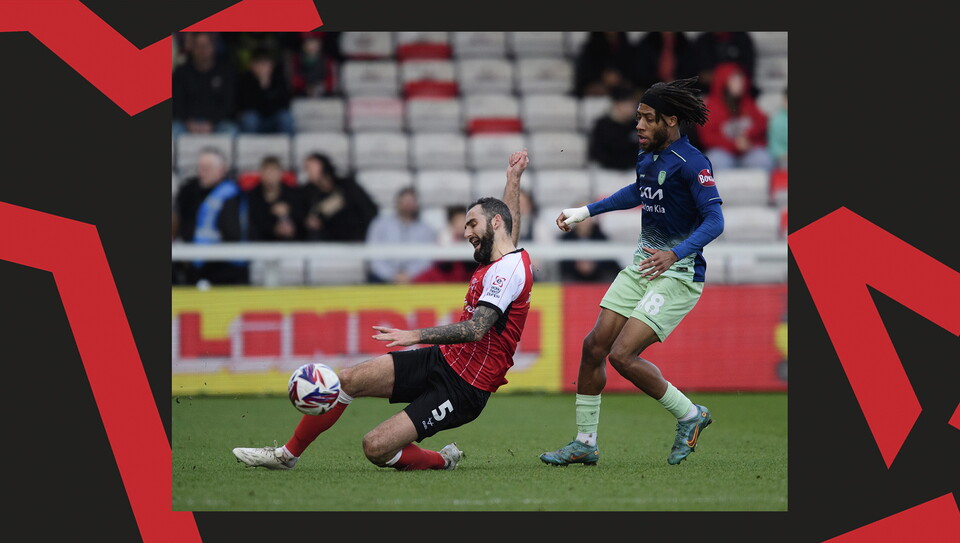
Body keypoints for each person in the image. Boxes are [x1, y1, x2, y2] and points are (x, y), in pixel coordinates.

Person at [232, 150, 532, 472]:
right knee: (347, 379)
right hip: (442, 358)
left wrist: (413, 335)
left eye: (472, 223)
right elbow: (508, 224)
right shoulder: (502, 255)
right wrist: (513, 179)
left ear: (495, 223)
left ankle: (441, 460)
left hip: (465, 387)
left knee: (375, 447)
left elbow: (476, 329)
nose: (465, 232)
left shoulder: (508, 270)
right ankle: (286, 456)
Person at [540, 77, 723, 467]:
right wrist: (586, 211)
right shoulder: (648, 157)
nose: (637, 125)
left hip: (678, 273)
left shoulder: (694, 164)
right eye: (637, 117)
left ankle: (691, 415)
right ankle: (585, 442)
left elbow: (715, 221)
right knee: (594, 348)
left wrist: (675, 254)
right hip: (643, 265)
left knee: (623, 355)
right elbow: (638, 191)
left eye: (647, 118)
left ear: (671, 121)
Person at [172, 147, 249, 285]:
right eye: (200, 167)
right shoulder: (189, 190)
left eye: (207, 168)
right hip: (193, 261)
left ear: (221, 170)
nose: (202, 172)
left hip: (224, 265)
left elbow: (232, 232)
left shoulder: (230, 194)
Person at [696, 62, 772, 171]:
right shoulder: (712, 106)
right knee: (714, 160)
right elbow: (707, 138)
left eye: (741, 79)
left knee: (764, 159)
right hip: (724, 153)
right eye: (735, 80)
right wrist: (733, 145)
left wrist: (747, 137)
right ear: (724, 82)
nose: (740, 83)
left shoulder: (747, 102)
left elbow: (762, 124)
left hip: (747, 153)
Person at [298, 153, 378, 241]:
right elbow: (302, 217)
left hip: (353, 241)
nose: (308, 171)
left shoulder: (347, 186)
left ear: (323, 166)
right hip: (325, 243)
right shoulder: (306, 193)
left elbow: (369, 209)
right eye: (306, 168)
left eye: (311, 167)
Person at [365, 187, 437, 284]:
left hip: (415, 279)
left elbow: (427, 259)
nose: (408, 205)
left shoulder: (426, 229)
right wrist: (391, 275)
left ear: (417, 204)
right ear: (397, 202)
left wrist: (409, 275)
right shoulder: (379, 224)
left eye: (411, 201)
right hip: (382, 278)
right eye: (405, 201)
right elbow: (373, 256)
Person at [172, 32, 238, 137]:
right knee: (173, 130)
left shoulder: (225, 71)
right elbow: (176, 103)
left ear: (213, 47)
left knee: (231, 130)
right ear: (192, 48)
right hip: (187, 123)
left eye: (206, 46)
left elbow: (229, 104)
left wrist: (212, 123)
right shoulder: (182, 72)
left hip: (217, 123)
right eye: (198, 46)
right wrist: (189, 122)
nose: (202, 50)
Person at [236, 47, 295, 135]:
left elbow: (285, 104)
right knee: (249, 119)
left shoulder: (278, 79)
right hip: (256, 122)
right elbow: (246, 106)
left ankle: (285, 148)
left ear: (271, 66)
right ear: (252, 66)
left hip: (274, 121)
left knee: (285, 118)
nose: (263, 67)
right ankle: (248, 147)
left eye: (265, 63)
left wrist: (266, 86)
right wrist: (261, 85)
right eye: (259, 63)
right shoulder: (245, 81)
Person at [558, 205, 622, 283]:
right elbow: (561, 263)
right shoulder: (566, 239)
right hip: (573, 279)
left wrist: (595, 265)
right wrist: (575, 265)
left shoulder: (601, 237)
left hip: (598, 279)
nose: (584, 220)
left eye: (586, 216)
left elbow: (611, 262)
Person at [413, 206, 478, 283]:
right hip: (446, 276)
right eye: (457, 221)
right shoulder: (444, 237)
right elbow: (440, 262)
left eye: (464, 221)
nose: (461, 225)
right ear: (451, 223)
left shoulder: (476, 237)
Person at [245, 156, 302, 241]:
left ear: (280, 174)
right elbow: (251, 223)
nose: (270, 177)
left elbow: (302, 219)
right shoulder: (251, 196)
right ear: (261, 174)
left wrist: (289, 214)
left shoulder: (293, 194)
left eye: (273, 172)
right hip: (260, 245)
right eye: (267, 172)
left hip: (290, 245)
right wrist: (273, 229)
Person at [588, 85, 642, 170]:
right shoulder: (602, 126)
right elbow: (597, 153)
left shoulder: (637, 126)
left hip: (632, 172)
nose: (633, 108)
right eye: (629, 104)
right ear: (618, 105)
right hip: (607, 173)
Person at [574, 32, 641, 97]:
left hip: (625, 98)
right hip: (596, 100)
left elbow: (637, 79)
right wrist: (600, 79)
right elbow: (582, 81)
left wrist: (620, 80)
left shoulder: (630, 50)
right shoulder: (590, 50)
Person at [692, 32, 757, 96]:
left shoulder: (742, 38)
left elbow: (747, 70)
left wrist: (721, 77)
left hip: (738, 93)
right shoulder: (703, 41)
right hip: (707, 91)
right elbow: (700, 75)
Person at [634, 32, 699, 91]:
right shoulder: (647, 43)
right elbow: (641, 74)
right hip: (649, 89)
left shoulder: (685, 44)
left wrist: (676, 83)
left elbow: (690, 72)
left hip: (678, 90)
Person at [767, 87, 788, 170]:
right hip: (783, 158)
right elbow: (774, 147)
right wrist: (784, 154)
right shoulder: (777, 120)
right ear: (784, 101)